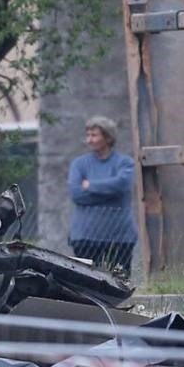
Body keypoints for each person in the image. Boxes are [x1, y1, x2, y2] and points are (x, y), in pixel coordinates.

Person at [67, 116, 138, 278]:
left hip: (119, 235)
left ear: (108, 137)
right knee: (85, 282)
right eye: (88, 135)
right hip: (86, 235)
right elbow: (77, 194)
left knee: (119, 280)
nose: (89, 140)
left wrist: (90, 186)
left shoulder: (124, 163)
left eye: (94, 135)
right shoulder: (79, 164)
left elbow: (122, 185)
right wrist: (110, 193)